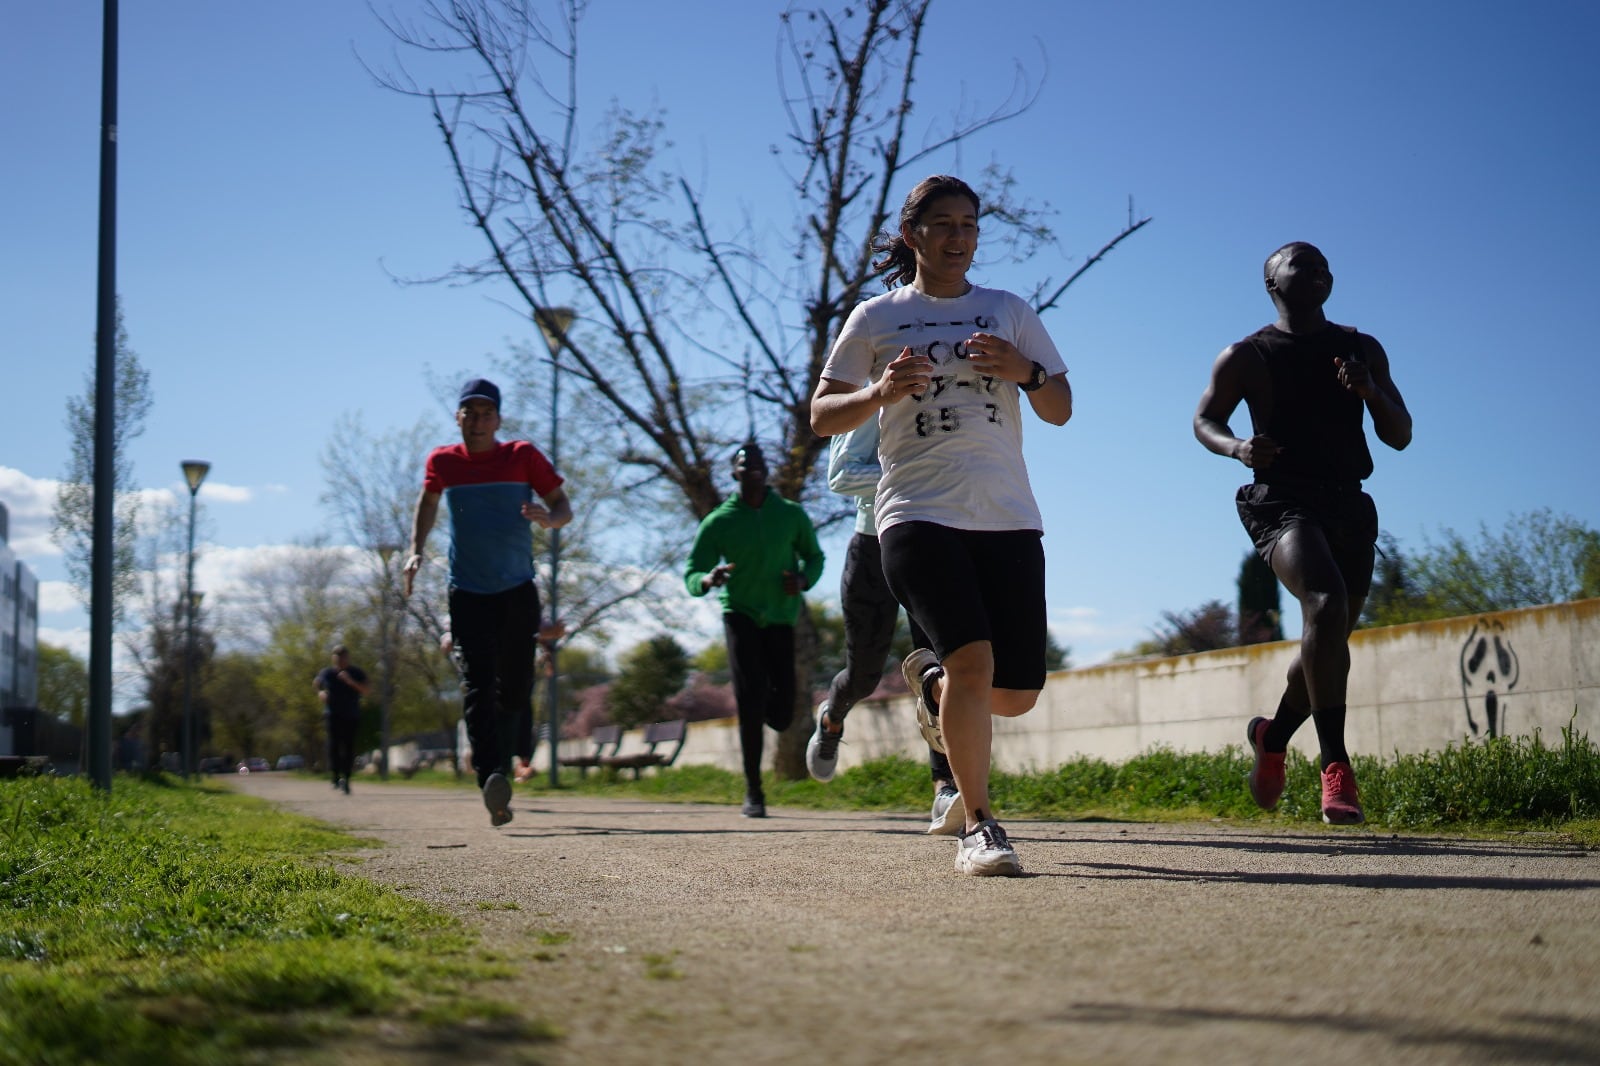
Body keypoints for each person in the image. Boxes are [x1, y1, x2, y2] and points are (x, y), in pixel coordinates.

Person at [810, 174, 1072, 876]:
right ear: (913, 234)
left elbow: (1061, 409)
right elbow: (821, 416)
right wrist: (878, 391)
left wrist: (1027, 371)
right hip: (916, 513)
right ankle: (979, 825)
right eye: (944, 224)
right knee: (973, 663)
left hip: (1007, 515)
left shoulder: (1008, 310)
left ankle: (930, 686)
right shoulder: (875, 317)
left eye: (969, 224)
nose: (958, 237)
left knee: (1012, 695)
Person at [1194, 241, 1412, 825]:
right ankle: (1336, 767)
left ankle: (1272, 735)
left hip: (1348, 501)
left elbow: (1400, 435)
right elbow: (1204, 419)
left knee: (1329, 633)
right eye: (1302, 264)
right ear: (1272, 281)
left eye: (1324, 267)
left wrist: (1371, 392)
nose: (1318, 272)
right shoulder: (1247, 355)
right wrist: (1238, 445)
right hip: (1281, 501)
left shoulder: (1360, 348)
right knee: (1324, 601)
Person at [403, 377, 572, 826]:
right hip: (468, 591)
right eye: (469, 414)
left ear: (498, 419)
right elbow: (428, 501)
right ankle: (491, 777)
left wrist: (548, 520)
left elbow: (563, 505)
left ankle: (503, 762)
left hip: (517, 589)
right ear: (458, 418)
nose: (477, 422)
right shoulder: (443, 461)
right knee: (477, 686)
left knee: (515, 688)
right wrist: (415, 548)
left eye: (486, 414)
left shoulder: (522, 456)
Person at [805, 421, 965, 835]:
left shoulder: (950, 396)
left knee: (940, 666)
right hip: (873, 546)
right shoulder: (872, 401)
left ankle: (944, 786)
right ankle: (832, 719)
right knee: (864, 674)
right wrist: (913, 471)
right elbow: (841, 474)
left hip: (933, 541)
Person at [684, 442, 825, 818]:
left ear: (767, 471)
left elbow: (815, 557)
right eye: (744, 464)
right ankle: (754, 790)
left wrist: (802, 579)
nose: (753, 468)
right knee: (749, 701)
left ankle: (765, 706)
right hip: (740, 614)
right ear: (734, 473)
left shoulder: (790, 515)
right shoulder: (719, 521)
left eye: (759, 462)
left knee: (781, 713)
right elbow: (692, 571)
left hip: (781, 616)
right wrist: (707, 579)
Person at [314, 644, 369, 794]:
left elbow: (365, 690)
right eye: (337, 657)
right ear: (333, 658)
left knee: (349, 747)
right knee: (334, 746)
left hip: (351, 715)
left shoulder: (356, 672)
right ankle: (335, 776)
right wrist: (320, 693)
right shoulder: (327, 673)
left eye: (343, 657)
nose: (340, 660)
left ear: (348, 658)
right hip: (332, 715)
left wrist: (350, 681)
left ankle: (347, 778)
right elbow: (317, 684)